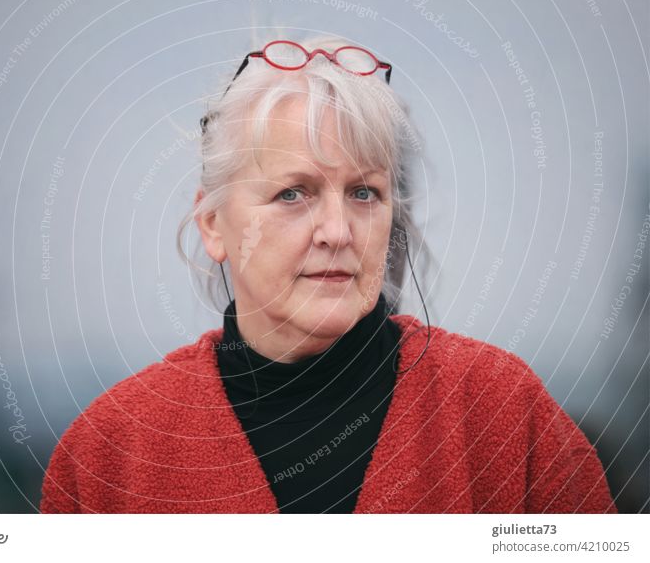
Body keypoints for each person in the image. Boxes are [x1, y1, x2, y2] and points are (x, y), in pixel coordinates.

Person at [40, 37, 617, 514]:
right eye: (293, 193)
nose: (338, 231)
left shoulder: (500, 415)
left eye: (365, 192)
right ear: (213, 224)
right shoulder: (111, 452)